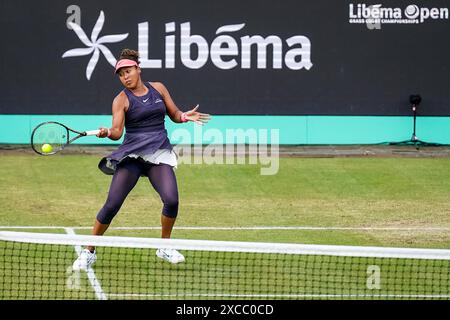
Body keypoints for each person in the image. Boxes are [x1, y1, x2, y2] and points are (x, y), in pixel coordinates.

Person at [73, 49, 210, 270]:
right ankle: (89, 251)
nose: (125, 77)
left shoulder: (159, 88)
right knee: (112, 204)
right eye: (121, 74)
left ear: (138, 69)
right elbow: (117, 131)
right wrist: (107, 132)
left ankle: (164, 246)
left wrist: (185, 116)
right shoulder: (120, 100)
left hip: (158, 151)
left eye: (128, 71)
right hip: (133, 155)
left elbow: (174, 114)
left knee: (172, 200)